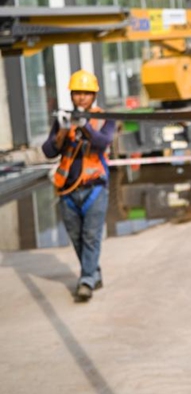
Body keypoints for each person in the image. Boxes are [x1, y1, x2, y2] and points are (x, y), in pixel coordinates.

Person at [42, 69, 116, 303]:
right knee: (77, 238)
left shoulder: (105, 117)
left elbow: (102, 143)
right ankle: (94, 273)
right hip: (68, 190)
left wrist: (85, 126)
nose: (81, 97)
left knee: (92, 236)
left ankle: (85, 281)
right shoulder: (63, 118)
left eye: (86, 93)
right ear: (71, 95)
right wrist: (63, 131)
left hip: (94, 188)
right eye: (77, 93)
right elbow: (48, 151)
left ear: (94, 95)